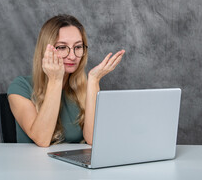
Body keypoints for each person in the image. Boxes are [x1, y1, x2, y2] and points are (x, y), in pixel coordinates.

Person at [7, 14, 125, 147]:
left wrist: (93, 81)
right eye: (62, 47)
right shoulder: (20, 87)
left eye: (78, 47)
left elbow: (92, 139)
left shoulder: (83, 89)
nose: (72, 56)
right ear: (45, 50)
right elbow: (42, 139)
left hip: (74, 165)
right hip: (35, 166)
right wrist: (55, 80)